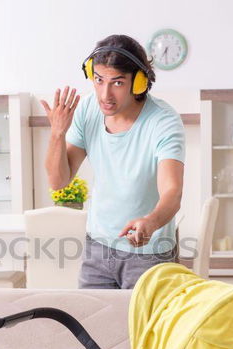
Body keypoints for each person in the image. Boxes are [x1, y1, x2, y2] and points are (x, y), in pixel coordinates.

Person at [41, 34, 186, 289]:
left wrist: (150, 223)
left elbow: (172, 193)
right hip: (97, 249)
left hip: (149, 253)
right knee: (92, 326)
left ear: (139, 83)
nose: (105, 94)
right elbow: (58, 181)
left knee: (143, 329)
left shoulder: (163, 121)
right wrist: (57, 133)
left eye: (117, 82)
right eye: (99, 80)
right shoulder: (88, 109)